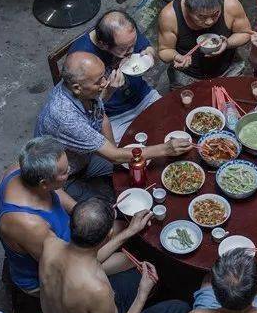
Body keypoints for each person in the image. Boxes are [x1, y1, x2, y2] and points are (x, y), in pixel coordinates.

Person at [40, 198, 190, 313]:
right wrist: (141, 295)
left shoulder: (50, 244)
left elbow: (88, 258)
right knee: (178, 311)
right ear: (109, 234)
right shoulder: (96, 289)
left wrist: (129, 232)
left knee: (139, 276)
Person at [0, 136, 152, 295]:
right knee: (132, 259)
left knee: (120, 224)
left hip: (71, 240)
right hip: (57, 273)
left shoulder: (22, 170)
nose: (70, 169)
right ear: (44, 183)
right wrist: (129, 232)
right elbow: (69, 267)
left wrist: (84, 212)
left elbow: (55, 189)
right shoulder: (28, 224)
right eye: (64, 172)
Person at [34, 51, 192, 202]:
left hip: (86, 155)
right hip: (64, 176)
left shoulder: (82, 87)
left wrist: (116, 152)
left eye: (104, 76)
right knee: (109, 206)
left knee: (141, 169)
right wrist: (166, 149)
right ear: (77, 87)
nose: (105, 82)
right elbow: (114, 156)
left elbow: (101, 116)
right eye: (99, 81)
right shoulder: (65, 116)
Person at [69, 10, 160, 140]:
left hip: (144, 96)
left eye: (133, 45)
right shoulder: (82, 57)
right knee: (133, 154)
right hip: (113, 116)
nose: (132, 51)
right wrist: (109, 91)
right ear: (103, 45)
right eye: (124, 49)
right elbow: (84, 109)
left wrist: (150, 54)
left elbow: (148, 48)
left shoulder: (127, 34)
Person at [157, 0, 252, 88]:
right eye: (201, 16)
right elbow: (164, 50)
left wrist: (227, 43)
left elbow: (245, 32)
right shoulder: (170, 16)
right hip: (187, 75)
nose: (209, 22)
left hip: (227, 68)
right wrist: (177, 57)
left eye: (215, 14)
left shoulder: (231, 5)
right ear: (187, 8)